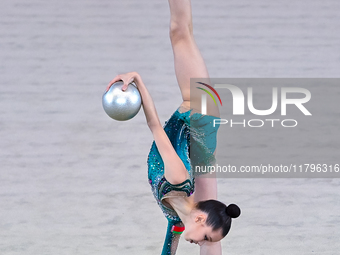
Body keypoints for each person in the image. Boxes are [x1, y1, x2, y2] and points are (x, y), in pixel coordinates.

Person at [107, 0, 240, 254]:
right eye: (205, 238)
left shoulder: (176, 219)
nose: (200, 241)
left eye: (205, 240)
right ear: (199, 220)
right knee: (179, 32)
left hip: (200, 142)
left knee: (182, 31)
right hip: (200, 114)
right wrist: (137, 79)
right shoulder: (177, 179)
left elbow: (168, 250)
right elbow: (154, 125)